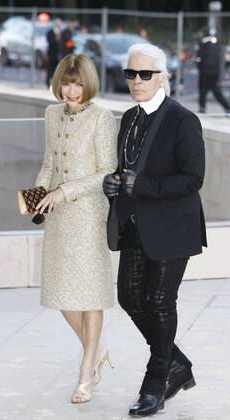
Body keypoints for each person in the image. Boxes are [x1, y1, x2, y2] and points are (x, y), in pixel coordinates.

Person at [103, 43, 207, 417]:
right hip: (133, 223)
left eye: (145, 74)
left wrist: (138, 185)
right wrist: (112, 184)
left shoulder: (183, 119)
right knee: (130, 297)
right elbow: (126, 168)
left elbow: (193, 179)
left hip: (173, 227)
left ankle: (157, 379)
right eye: (131, 74)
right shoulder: (129, 117)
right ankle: (176, 362)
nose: (136, 81)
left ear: (164, 76)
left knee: (161, 303)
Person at [34, 53, 117, 403]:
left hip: (87, 215)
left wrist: (63, 192)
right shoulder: (52, 114)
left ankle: (86, 374)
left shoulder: (102, 118)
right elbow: (49, 161)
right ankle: (95, 351)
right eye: (67, 83)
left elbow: (107, 171)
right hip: (57, 216)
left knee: (89, 295)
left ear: (89, 85)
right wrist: (37, 196)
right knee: (61, 294)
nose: (72, 91)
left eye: (79, 84)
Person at [196, 28, 230, 113]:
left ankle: (202, 108)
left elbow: (199, 58)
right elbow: (221, 58)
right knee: (217, 91)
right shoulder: (217, 43)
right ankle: (227, 107)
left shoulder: (202, 43)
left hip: (204, 72)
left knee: (203, 91)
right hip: (215, 72)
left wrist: (199, 67)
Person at [46, 18, 63, 87]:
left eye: (60, 24)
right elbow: (50, 41)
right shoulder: (50, 32)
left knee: (58, 70)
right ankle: (48, 83)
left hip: (59, 54)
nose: (59, 25)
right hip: (52, 54)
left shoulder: (61, 32)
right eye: (57, 23)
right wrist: (56, 38)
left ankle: (56, 84)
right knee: (50, 69)